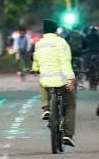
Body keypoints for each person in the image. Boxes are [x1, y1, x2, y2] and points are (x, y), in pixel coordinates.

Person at [32, 19, 76, 147]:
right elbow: (65, 62)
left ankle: (46, 108)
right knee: (70, 105)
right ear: (56, 30)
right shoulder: (61, 42)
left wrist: (35, 69)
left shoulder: (39, 43)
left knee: (42, 83)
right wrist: (70, 79)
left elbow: (36, 59)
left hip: (46, 79)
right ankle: (68, 134)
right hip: (61, 80)